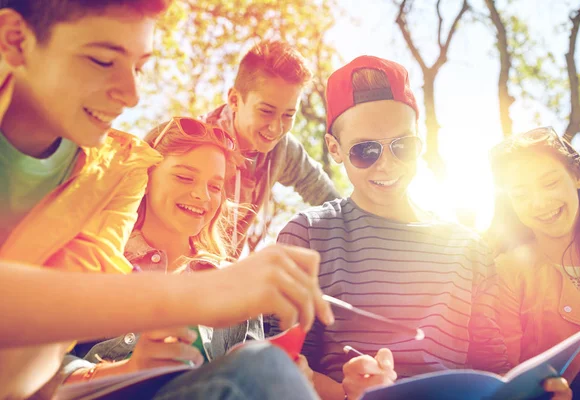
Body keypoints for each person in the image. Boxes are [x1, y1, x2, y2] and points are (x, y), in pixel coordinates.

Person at [0, 1, 332, 398]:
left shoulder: (115, 172)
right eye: (103, 60)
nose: (133, 95)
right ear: (15, 40)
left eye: (140, 67)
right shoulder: (155, 159)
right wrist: (203, 295)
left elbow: (37, 354)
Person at [269, 56, 571, 400]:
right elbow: (285, 366)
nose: (387, 164)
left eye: (403, 146)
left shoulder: (468, 248)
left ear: (420, 144)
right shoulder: (307, 235)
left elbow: (494, 369)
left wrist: (536, 392)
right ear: (335, 149)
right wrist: (344, 393)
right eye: (365, 150)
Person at [487, 126, 580, 398]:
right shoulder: (507, 273)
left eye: (549, 183)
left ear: (576, 177)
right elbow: (500, 370)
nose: (539, 202)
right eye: (521, 194)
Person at [201, 39, 339, 257]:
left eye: (288, 115)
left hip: (224, 274)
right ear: (235, 100)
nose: (276, 128)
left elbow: (323, 193)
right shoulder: (196, 142)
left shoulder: (282, 150)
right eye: (266, 111)